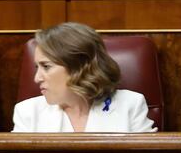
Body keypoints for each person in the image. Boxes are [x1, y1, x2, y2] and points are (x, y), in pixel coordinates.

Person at [12, 22, 157, 133]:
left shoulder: (130, 105)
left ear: (78, 67)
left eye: (46, 67)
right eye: (37, 67)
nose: (37, 78)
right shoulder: (28, 112)